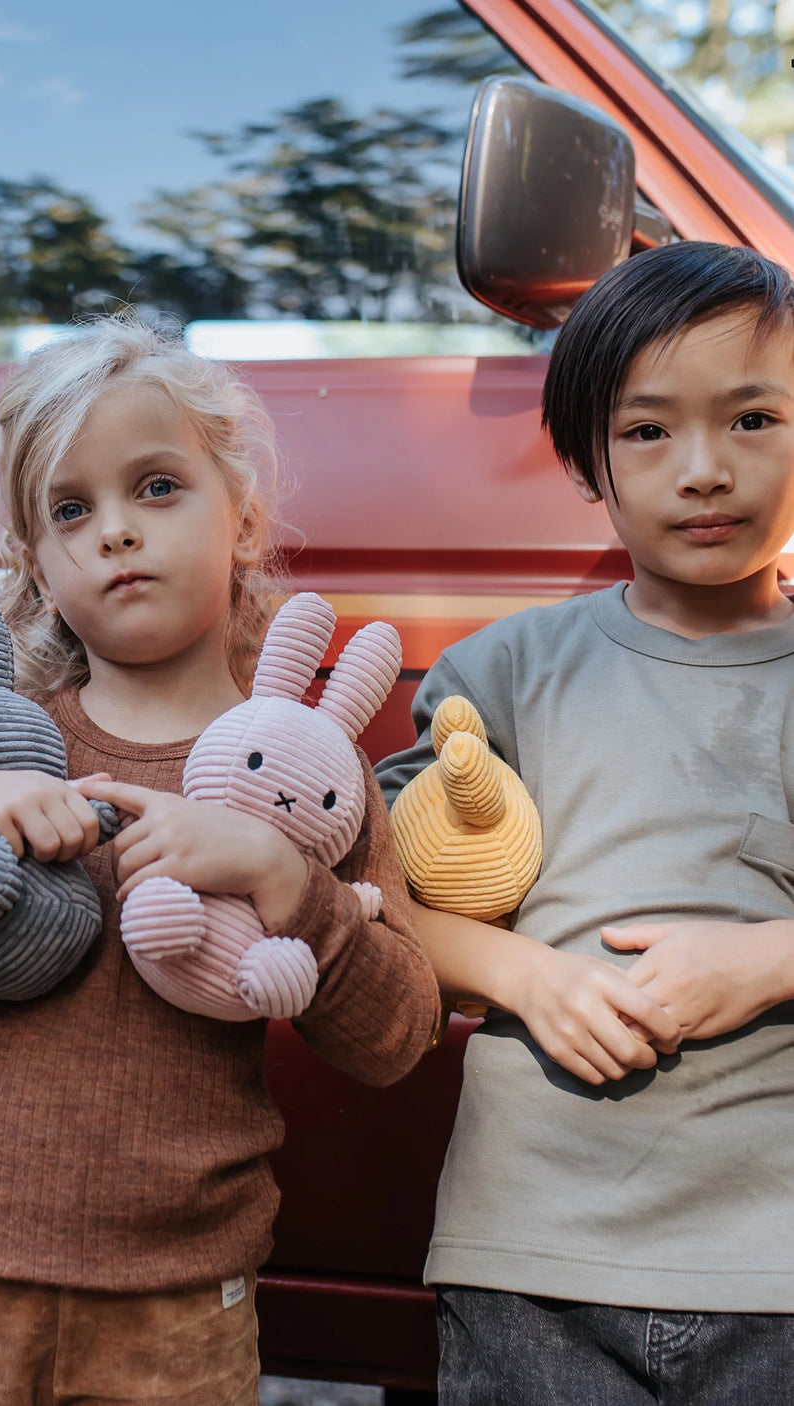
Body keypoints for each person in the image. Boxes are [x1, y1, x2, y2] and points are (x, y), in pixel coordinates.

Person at [0, 314, 442, 1404]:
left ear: (242, 518)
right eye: (70, 509)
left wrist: (285, 880)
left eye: (155, 487)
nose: (114, 533)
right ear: (35, 568)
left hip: (178, 1309)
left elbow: (396, 1036)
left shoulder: (299, 769)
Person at [375, 242, 794, 1405]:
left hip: (774, 1264)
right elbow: (377, 892)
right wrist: (528, 978)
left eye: (752, 418)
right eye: (646, 430)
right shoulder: (499, 672)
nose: (702, 470)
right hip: (531, 1254)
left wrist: (765, 959)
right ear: (584, 463)